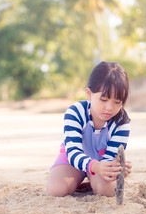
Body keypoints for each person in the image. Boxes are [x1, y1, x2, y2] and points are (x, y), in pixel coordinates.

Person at [47, 61, 132, 197]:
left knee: (108, 191)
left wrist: (115, 169)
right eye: (103, 99)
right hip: (73, 160)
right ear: (89, 94)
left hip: (102, 163)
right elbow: (73, 151)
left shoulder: (122, 122)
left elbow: (110, 157)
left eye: (117, 102)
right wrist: (94, 166)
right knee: (56, 190)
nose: (110, 107)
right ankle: (80, 178)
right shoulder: (75, 112)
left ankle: (91, 182)